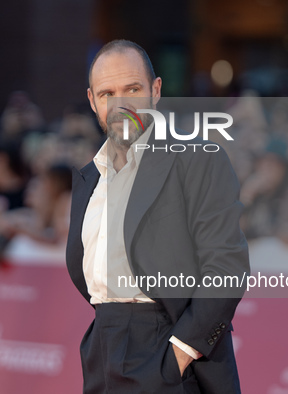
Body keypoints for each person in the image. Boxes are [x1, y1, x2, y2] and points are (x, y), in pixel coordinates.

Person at [66, 40, 249, 393]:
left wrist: (179, 354)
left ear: (156, 90)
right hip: (101, 350)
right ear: (92, 101)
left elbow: (227, 267)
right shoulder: (90, 177)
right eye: (107, 94)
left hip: (172, 354)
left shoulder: (197, 160)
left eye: (132, 89)